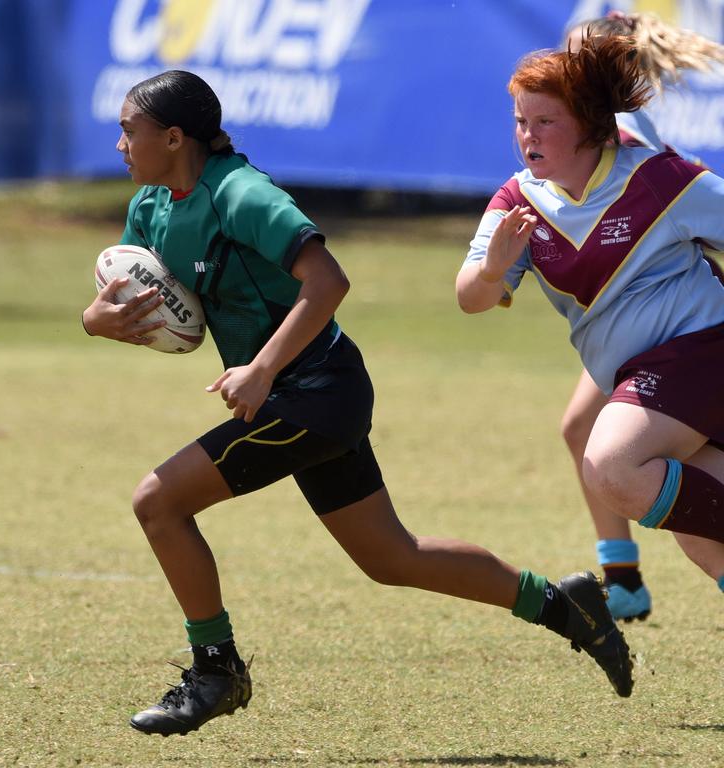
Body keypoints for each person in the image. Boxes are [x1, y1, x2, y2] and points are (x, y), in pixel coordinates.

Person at [82, 70, 633, 737]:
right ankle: (565, 604)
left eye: (128, 130)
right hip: (293, 394)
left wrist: (260, 369)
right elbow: (127, 297)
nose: (119, 144)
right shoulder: (151, 206)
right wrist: (97, 320)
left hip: (318, 390)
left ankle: (216, 671)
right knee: (391, 557)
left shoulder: (242, 194)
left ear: (173, 137)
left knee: (158, 502)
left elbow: (328, 281)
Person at [456, 35, 724, 636]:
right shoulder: (518, 200)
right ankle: (624, 573)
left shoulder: (658, 178)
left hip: (702, 349)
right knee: (701, 537)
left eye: (545, 121)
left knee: (610, 462)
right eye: (520, 121)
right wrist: (493, 268)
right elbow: (469, 298)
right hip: (634, 373)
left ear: (591, 124)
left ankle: (620, 572)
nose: (528, 135)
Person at [557, 11, 724, 622]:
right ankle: (622, 576)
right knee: (582, 429)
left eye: (573, 59)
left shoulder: (621, 131)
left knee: (602, 442)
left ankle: (622, 578)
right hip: (631, 319)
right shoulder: (586, 127)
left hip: (671, 321)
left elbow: (673, 212)